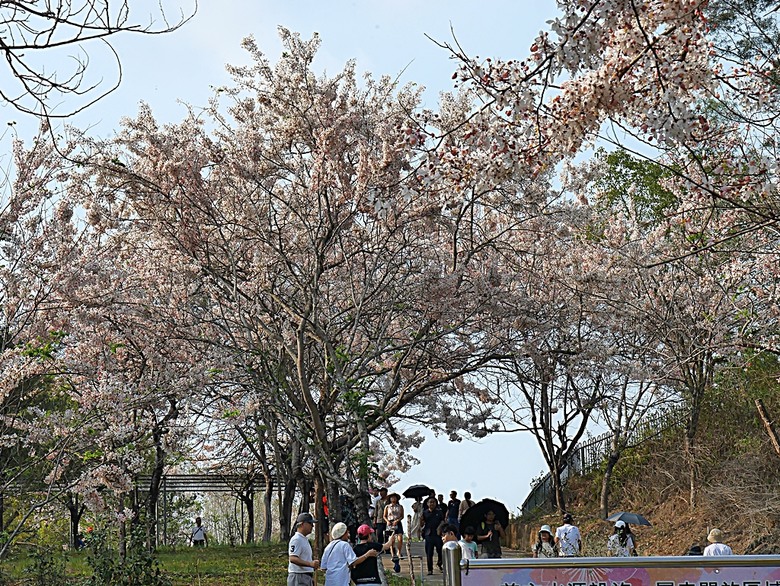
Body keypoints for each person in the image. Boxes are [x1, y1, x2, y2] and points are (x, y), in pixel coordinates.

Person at [320, 522, 379, 586]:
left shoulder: (328, 546)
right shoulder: (344, 545)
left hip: (329, 582)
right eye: (347, 533)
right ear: (343, 533)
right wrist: (367, 554)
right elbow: (354, 562)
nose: (348, 535)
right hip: (341, 581)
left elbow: (323, 567)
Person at [288, 512, 320, 586]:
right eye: (310, 523)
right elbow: (292, 558)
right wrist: (310, 564)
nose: (312, 526)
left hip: (305, 576)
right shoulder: (296, 539)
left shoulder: (304, 540)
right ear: (302, 524)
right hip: (298, 577)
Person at [420, 497, 444, 575]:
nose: (432, 504)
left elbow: (443, 521)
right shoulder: (425, 512)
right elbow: (421, 524)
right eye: (430, 502)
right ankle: (430, 569)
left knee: (440, 551)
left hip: (438, 535)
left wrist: (440, 528)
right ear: (427, 504)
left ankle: (439, 564)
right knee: (429, 553)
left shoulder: (439, 512)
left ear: (436, 503)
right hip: (428, 535)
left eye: (433, 502)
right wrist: (421, 520)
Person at [383, 493, 404, 572]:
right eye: (392, 498)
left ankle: (399, 551)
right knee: (391, 540)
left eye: (394, 497)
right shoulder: (387, 507)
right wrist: (387, 521)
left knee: (400, 538)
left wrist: (397, 520)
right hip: (390, 523)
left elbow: (402, 516)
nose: (393, 499)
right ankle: (393, 554)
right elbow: (384, 516)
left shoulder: (400, 507)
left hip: (397, 522)